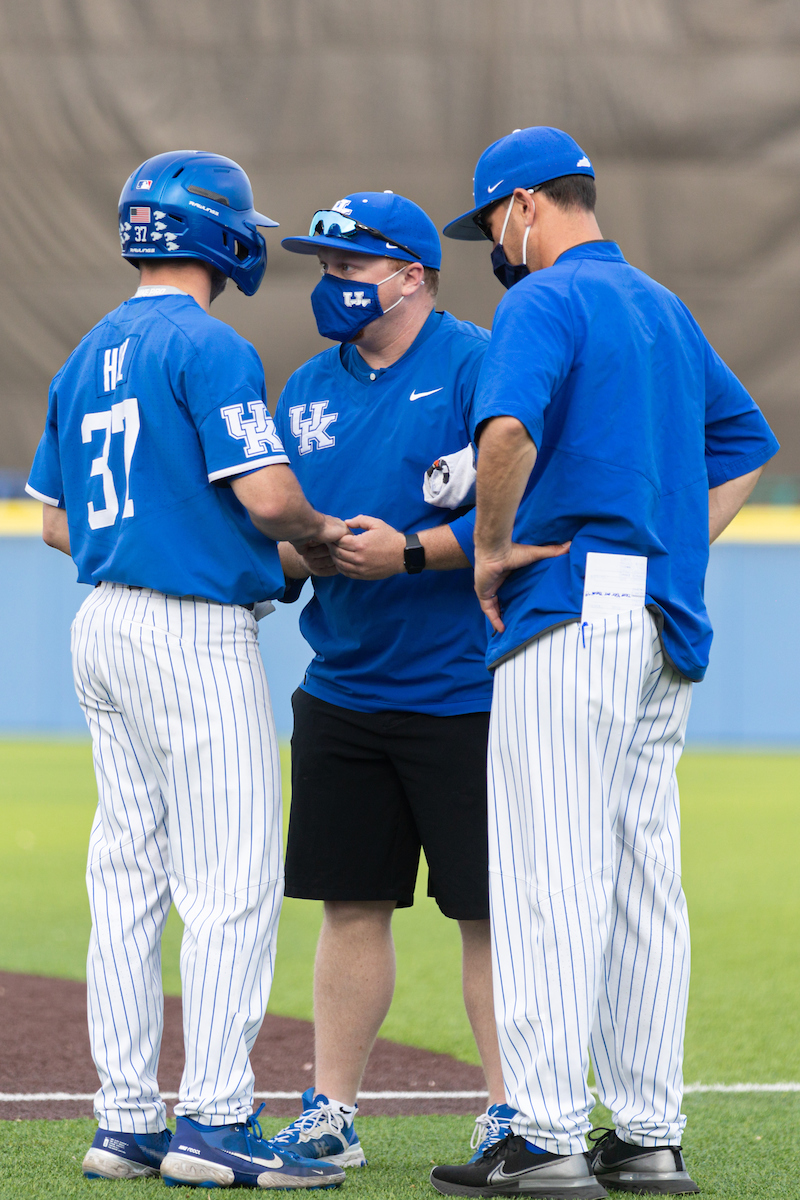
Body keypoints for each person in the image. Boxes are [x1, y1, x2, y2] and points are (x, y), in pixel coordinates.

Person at [430, 127, 779, 1199]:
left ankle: (543, 1136)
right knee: (640, 881)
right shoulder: (661, 306)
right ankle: (647, 1135)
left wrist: (490, 549)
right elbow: (745, 444)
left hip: (570, 610)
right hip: (660, 616)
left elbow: (504, 435)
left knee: (547, 874)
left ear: (526, 204)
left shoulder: (544, 298)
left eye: (493, 221)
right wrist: (674, 545)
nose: (494, 242)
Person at [25, 150, 347, 1191]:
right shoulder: (208, 344)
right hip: (190, 634)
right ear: (218, 234)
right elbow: (268, 499)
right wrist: (320, 536)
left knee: (127, 879)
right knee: (230, 881)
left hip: (103, 622)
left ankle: (125, 1122)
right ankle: (213, 1118)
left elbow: (54, 522)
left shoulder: (87, 351)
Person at [255, 191, 568, 1170]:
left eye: (349, 267)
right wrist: (308, 552)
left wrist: (414, 551)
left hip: (467, 691)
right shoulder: (308, 384)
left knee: (487, 913)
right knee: (350, 905)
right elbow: (280, 535)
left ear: (410, 275)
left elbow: (530, 507)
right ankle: (330, 1114)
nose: (331, 284)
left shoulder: (479, 362)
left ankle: (511, 1110)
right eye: (324, 267)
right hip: (342, 687)